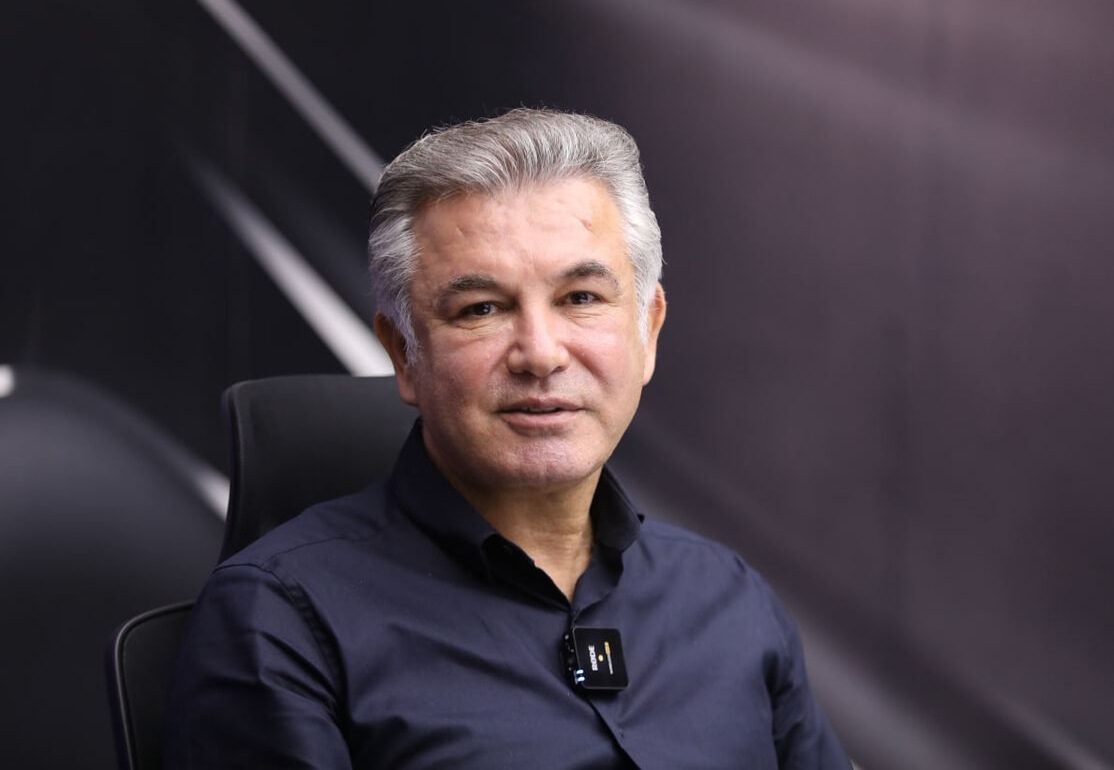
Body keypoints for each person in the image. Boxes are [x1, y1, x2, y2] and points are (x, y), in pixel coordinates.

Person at [163, 108, 851, 769]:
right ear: (404, 354)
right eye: (482, 309)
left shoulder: (728, 598)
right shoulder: (281, 620)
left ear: (648, 331)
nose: (541, 353)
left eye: (581, 298)